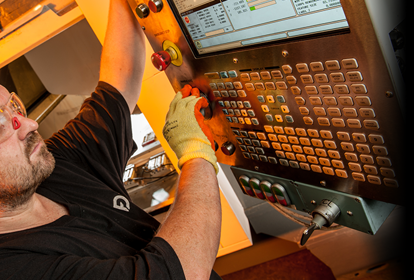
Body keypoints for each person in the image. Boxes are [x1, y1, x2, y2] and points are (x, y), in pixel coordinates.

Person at [0, 0, 221, 279]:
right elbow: (177, 274)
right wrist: (195, 152)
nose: (31, 125)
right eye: (1, 124)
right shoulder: (12, 267)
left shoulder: (50, 164)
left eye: (14, 107)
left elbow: (117, 87)